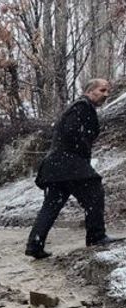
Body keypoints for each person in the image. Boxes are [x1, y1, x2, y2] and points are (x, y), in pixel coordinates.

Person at [26, 78, 120, 258]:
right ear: (89, 91)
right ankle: (96, 236)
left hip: (56, 165)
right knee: (94, 192)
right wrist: (81, 155)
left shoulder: (80, 107)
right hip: (68, 162)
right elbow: (72, 132)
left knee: (51, 206)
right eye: (102, 90)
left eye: (108, 91)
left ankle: (34, 245)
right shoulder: (82, 106)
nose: (106, 95)